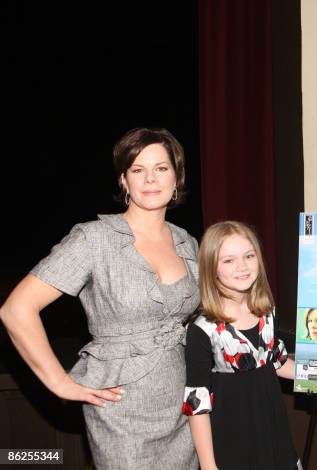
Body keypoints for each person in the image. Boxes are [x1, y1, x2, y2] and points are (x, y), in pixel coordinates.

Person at [0, 128, 200, 469]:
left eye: (161, 168)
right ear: (124, 180)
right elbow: (17, 309)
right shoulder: (94, 240)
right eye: (138, 170)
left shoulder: (188, 243)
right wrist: (60, 382)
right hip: (120, 410)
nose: (150, 178)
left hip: (183, 407)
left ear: (176, 177)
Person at [183, 221, 300, 470]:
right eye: (228, 260)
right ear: (210, 268)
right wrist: (208, 466)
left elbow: (275, 362)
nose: (242, 266)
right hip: (231, 440)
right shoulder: (202, 330)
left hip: (271, 431)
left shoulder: (266, 310)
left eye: (249, 256)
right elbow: (197, 405)